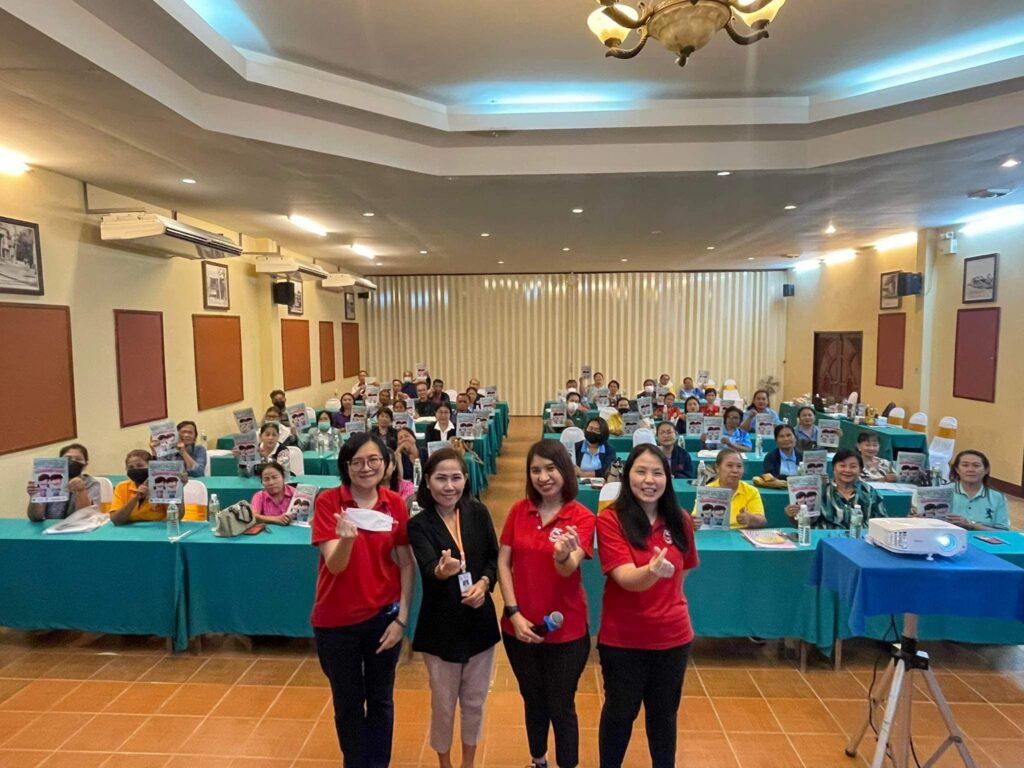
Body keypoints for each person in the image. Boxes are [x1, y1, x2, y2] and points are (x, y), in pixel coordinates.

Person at [312, 433, 414, 768]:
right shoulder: (329, 502)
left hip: (383, 620)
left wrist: (402, 620)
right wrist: (345, 540)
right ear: (345, 466)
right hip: (335, 622)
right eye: (356, 462)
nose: (366, 468)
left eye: (373, 460)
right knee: (348, 703)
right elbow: (335, 565)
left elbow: (406, 564)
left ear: (386, 464)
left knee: (381, 700)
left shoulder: (395, 503)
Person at [596, 444, 699, 768]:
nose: (649, 480)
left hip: (673, 638)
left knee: (664, 716)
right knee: (619, 714)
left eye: (657, 472)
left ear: (667, 478)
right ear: (628, 476)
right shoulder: (611, 519)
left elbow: (683, 570)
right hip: (623, 639)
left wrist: (667, 599)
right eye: (641, 471)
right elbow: (625, 577)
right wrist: (652, 572)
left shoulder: (681, 520)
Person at [498, 440, 594, 768]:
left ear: (564, 470)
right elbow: (504, 563)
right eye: (535, 470)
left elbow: (568, 568)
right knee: (533, 698)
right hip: (519, 628)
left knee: (560, 704)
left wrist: (562, 555)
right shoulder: (518, 510)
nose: (543, 477)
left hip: (567, 632)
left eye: (550, 468)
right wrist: (514, 613)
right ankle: (538, 760)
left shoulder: (581, 517)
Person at [407, 448, 499, 768]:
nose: (449, 486)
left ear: (466, 480)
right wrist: (442, 570)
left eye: (456, 478)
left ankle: (468, 763)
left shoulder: (478, 512)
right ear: (427, 482)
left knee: (474, 702)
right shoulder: (418, 525)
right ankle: (444, 763)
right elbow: (428, 568)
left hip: (480, 622)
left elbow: (493, 558)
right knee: (443, 705)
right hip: (440, 628)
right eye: (441, 478)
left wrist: (484, 584)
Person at [785, 449, 887, 529]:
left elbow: (882, 522)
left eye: (853, 466)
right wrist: (792, 515)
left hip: (861, 542)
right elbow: (804, 524)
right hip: (826, 541)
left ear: (860, 469)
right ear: (834, 468)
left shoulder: (869, 492)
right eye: (842, 466)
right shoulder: (820, 491)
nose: (847, 470)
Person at [25, 443, 101, 521]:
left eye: (78, 459)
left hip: (78, 526)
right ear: (59, 462)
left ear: (85, 465)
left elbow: (85, 518)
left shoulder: (92, 484)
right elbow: (35, 517)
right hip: (51, 526)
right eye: (67, 458)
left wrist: (81, 491)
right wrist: (35, 496)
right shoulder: (48, 481)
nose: (72, 461)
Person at [695, 450, 766, 529]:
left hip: (740, 534)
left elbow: (762, 521)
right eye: (729, 465)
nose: (735, 470)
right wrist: (695, 522)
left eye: (739, 466)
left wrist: (750, 518)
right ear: (717, 468)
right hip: (712, 534)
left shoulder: (752, 491)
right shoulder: (707, 490)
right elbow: (695, 518)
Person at [946, 450, 1009, 531]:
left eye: (976, 465)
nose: (970, 469)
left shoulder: (997, 497)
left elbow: (1003, 532)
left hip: (985, 538)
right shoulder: (944, 491)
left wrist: (972, 525)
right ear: (957, 469)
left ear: (986, 470)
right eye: (965, 465)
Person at [109, 450, 169, 525]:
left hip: (158, 527)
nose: (135, 469)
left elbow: (176, 516)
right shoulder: (122, 487)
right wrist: (136, 497)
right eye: (131, 467)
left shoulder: (163, 484)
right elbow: (116, 520)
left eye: (140, 466)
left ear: (151, 467)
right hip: (130, 529)